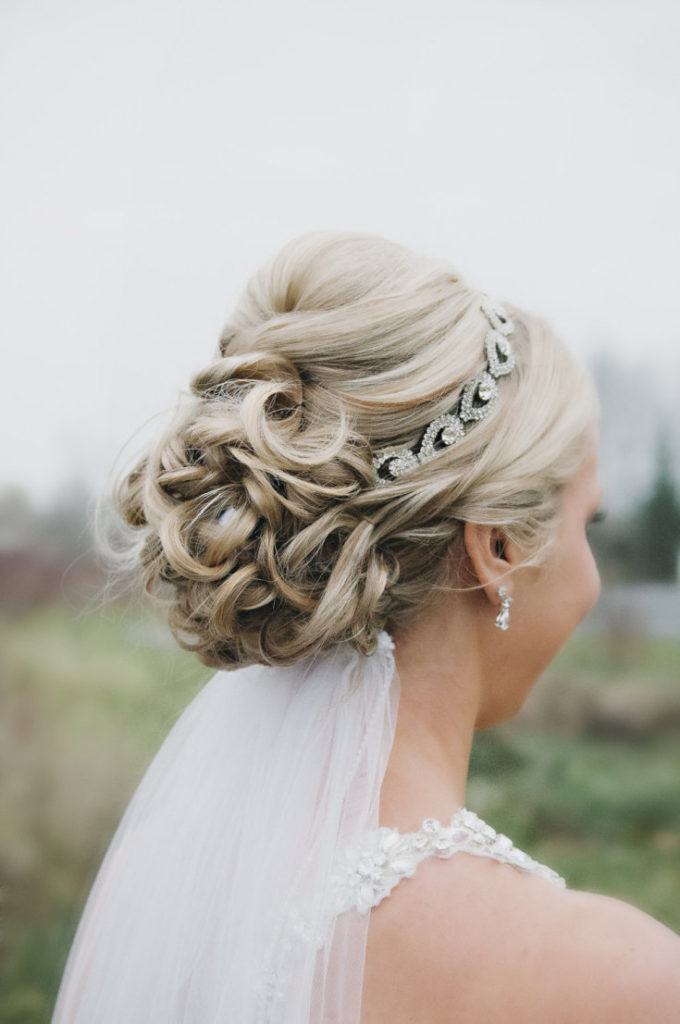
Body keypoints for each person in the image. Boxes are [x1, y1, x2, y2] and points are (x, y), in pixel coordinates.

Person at [51, 232, 680, 1023]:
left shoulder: (152, 892)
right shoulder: (617, 982)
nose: (593, 572)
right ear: (499, 547)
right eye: (591, 521)